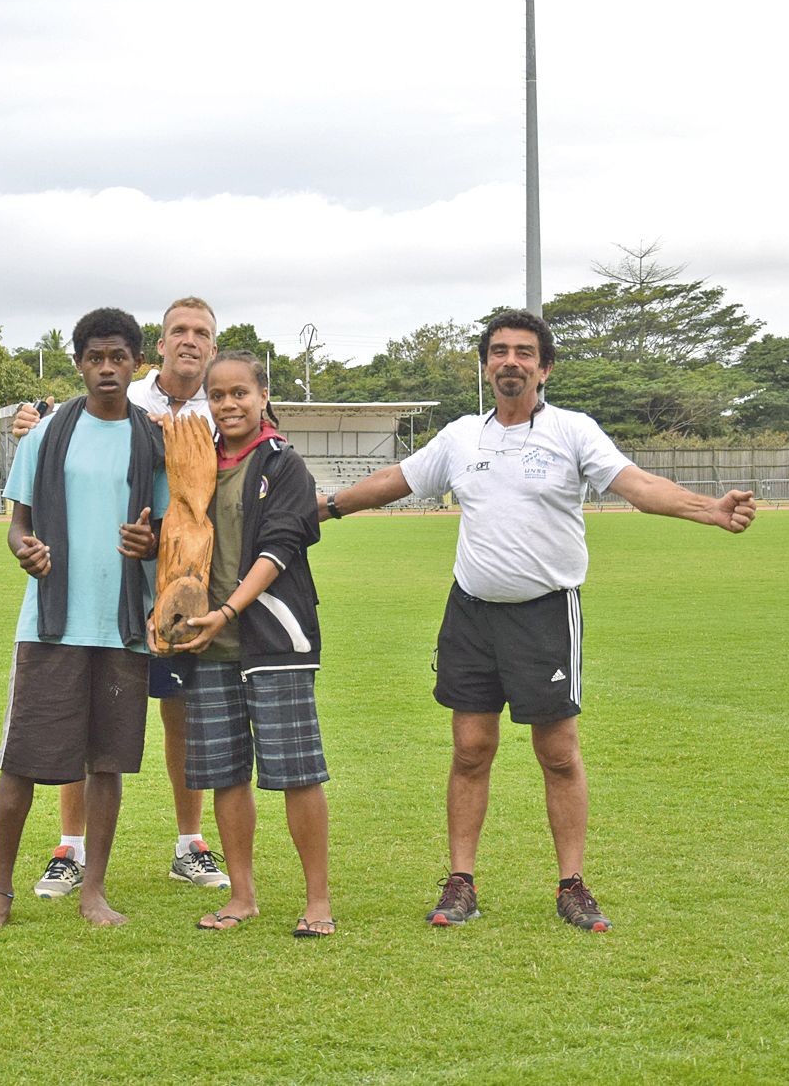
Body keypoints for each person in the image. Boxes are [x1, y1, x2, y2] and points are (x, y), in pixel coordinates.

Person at [320, 310, 755, 932]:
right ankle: (461, 882)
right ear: (485, 363)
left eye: (525, 352)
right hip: (470, 612)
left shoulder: (573, 432)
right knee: (470, 749)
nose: (511, 361)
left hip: (546, 615)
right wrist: (328, 508)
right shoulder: (461, 436)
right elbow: (398, 479)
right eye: (499, 351)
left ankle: (572, 885)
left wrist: (708, 509)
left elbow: (634, 485)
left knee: (557, 752)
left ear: (544, 367)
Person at [0, 308, 168, 933]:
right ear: (78, 364)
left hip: (122, 625)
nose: (107, 369)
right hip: (50, 625)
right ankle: (0, 894)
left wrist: (148, 543)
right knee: (22, 760)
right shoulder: (46, 435)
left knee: (106, 762)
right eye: (95, 358)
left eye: (119, 358)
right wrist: (25, 548)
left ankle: (93, 891)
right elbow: (18, 525)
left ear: (136, 364)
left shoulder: (152, 439)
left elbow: (165, 531)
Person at [13, 298, 230, 897]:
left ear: (214, 346)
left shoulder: (227, 409)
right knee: (86, 721)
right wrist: (35, 427)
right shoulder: (127, 406)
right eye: (178, 331)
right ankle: (71, 848)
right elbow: (75, 439)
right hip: (121, 600)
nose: (190, 341)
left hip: (191, 595)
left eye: (202, 333)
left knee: (182, 715)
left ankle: (190, 844)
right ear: (155, 348)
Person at [163, 352, 334, 937]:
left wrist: (229, 610)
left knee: (296, 771)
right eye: (217, 396)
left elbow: (281, 547)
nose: (229, 405)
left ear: (263, 396)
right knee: (227, 773)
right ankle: (242, 896)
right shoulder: (198, 462)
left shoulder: (283, 463)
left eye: (240, 393)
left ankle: (317, 901)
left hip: (274, 638)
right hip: (207, 643)